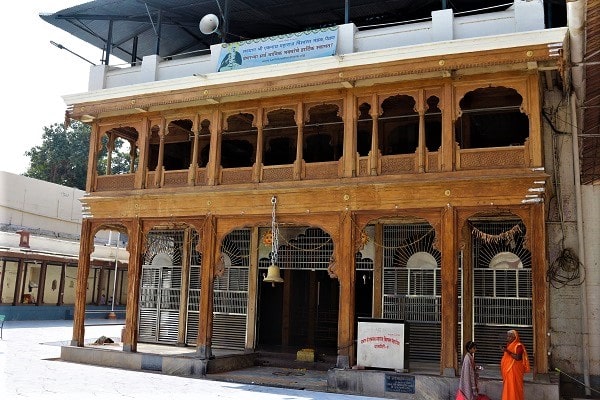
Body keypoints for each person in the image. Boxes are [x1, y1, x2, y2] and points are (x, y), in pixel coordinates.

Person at [501, 329, 530, 400]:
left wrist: (507, 351)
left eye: (510, 337)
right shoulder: (509, 345)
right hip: (509, 371)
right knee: (509, 387)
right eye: (508, 337)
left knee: (515, 387)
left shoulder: (518, 346)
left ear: (515, 337)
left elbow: (518, 358)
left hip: (515, 370)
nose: (508, 338)